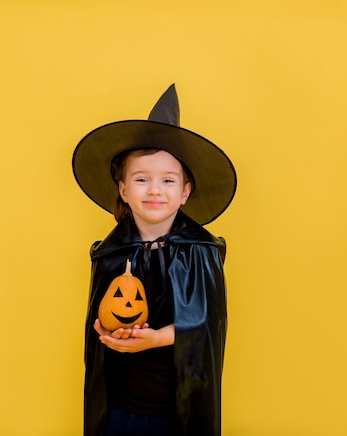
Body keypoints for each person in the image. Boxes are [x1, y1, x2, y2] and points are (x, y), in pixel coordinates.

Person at [72, 84, 237, 436]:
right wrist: (104, 333)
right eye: (142, 179)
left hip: (177, 409)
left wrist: (158, 338)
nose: (154, 189)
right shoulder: (110, 253)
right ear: (124, 190)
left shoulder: (201, 252)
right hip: (121, 405)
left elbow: (209, 326)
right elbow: (100, 323)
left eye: (167, 180)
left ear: (185, 191)